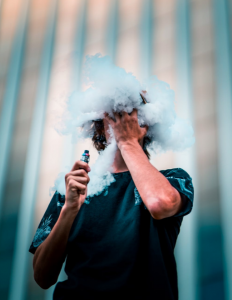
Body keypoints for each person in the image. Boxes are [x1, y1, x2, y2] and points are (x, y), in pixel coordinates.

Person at [29, 109, 194, 300]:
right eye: (114, 113)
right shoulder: (74, 188)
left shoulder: (172, 179)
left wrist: (128, 142)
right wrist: (69, 210)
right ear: (100, 125)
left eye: (133, 113)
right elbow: (42, 277)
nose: (124, 119)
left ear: (146, 125)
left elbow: (159, 204)